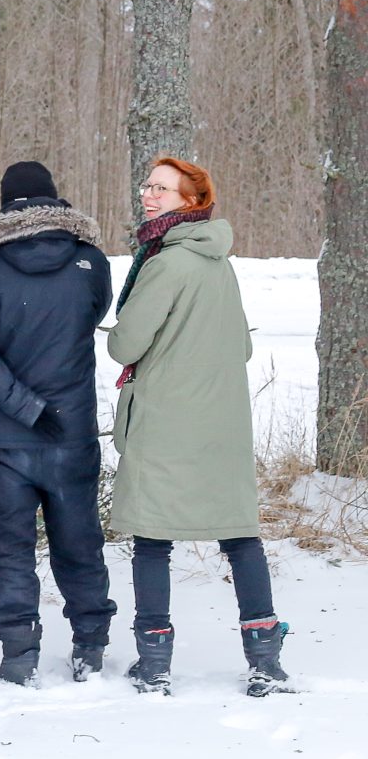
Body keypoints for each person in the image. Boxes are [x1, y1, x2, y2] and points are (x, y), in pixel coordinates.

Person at [107, 157, 288, 697]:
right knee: (240, 536)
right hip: (223, 422)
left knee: (153, 540)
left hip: (166, 420)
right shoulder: (218, 261)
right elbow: (244, 344)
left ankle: (154, 662)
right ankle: (265, 659)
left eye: (162, 189)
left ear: (191, 201)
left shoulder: (166, 263)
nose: (149, 194)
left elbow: (124, 344)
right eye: (147, 185)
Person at [0, 161, 116, 687]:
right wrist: (50, 409)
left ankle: (19, 655)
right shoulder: (89, 260)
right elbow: (90, 318)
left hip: (6, 436)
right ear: (54, 199)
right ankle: (90, 648)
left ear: (5, 205)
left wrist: (25, 408)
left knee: (12, 548)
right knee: (80, 541)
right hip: (72, 430)